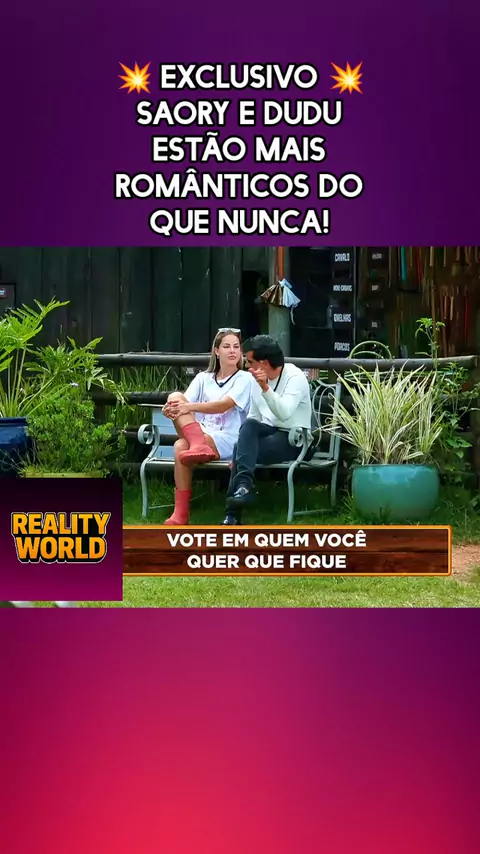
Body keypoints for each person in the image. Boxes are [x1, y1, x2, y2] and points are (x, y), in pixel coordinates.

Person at [162, 328, 253, 525]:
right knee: (174, 397)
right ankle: (181, 512)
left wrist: (187, 407)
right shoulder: (203, 378)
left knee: (180, 446)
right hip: (202, 433)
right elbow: (181, 405)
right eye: (227, 346)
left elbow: (224, 405)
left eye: (236, 347)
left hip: (229, 437)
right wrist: (168, 409)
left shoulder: (245, 378)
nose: (232, 351)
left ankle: (181, 513)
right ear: (216, 351)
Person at [222, 334, 314, 525]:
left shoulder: (294, 377)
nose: (247, 366)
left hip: (295, 439)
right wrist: (245, 447)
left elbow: (284, 413)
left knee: (239, 451)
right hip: (270, 432)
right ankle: (243, 488)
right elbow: (254, 417)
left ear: (263, 363)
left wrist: (265, 388)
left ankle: (232, 515)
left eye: (250, 362)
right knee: (246, 432)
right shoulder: (254, 379)